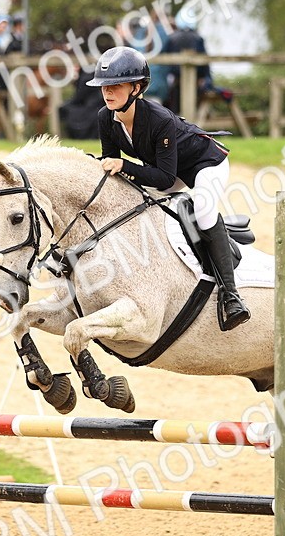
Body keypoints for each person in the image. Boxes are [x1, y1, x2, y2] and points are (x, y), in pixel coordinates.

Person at [90, 46, 250, 330]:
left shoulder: (159, 119)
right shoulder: (105, 117)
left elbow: (164, 180)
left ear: (136, 88)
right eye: (104, 86)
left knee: (202, 209)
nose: (107, 92)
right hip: (167, 168)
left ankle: (231, 295)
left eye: (115, 85)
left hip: (204, 163)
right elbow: (109, 161)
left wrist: (125, 166)